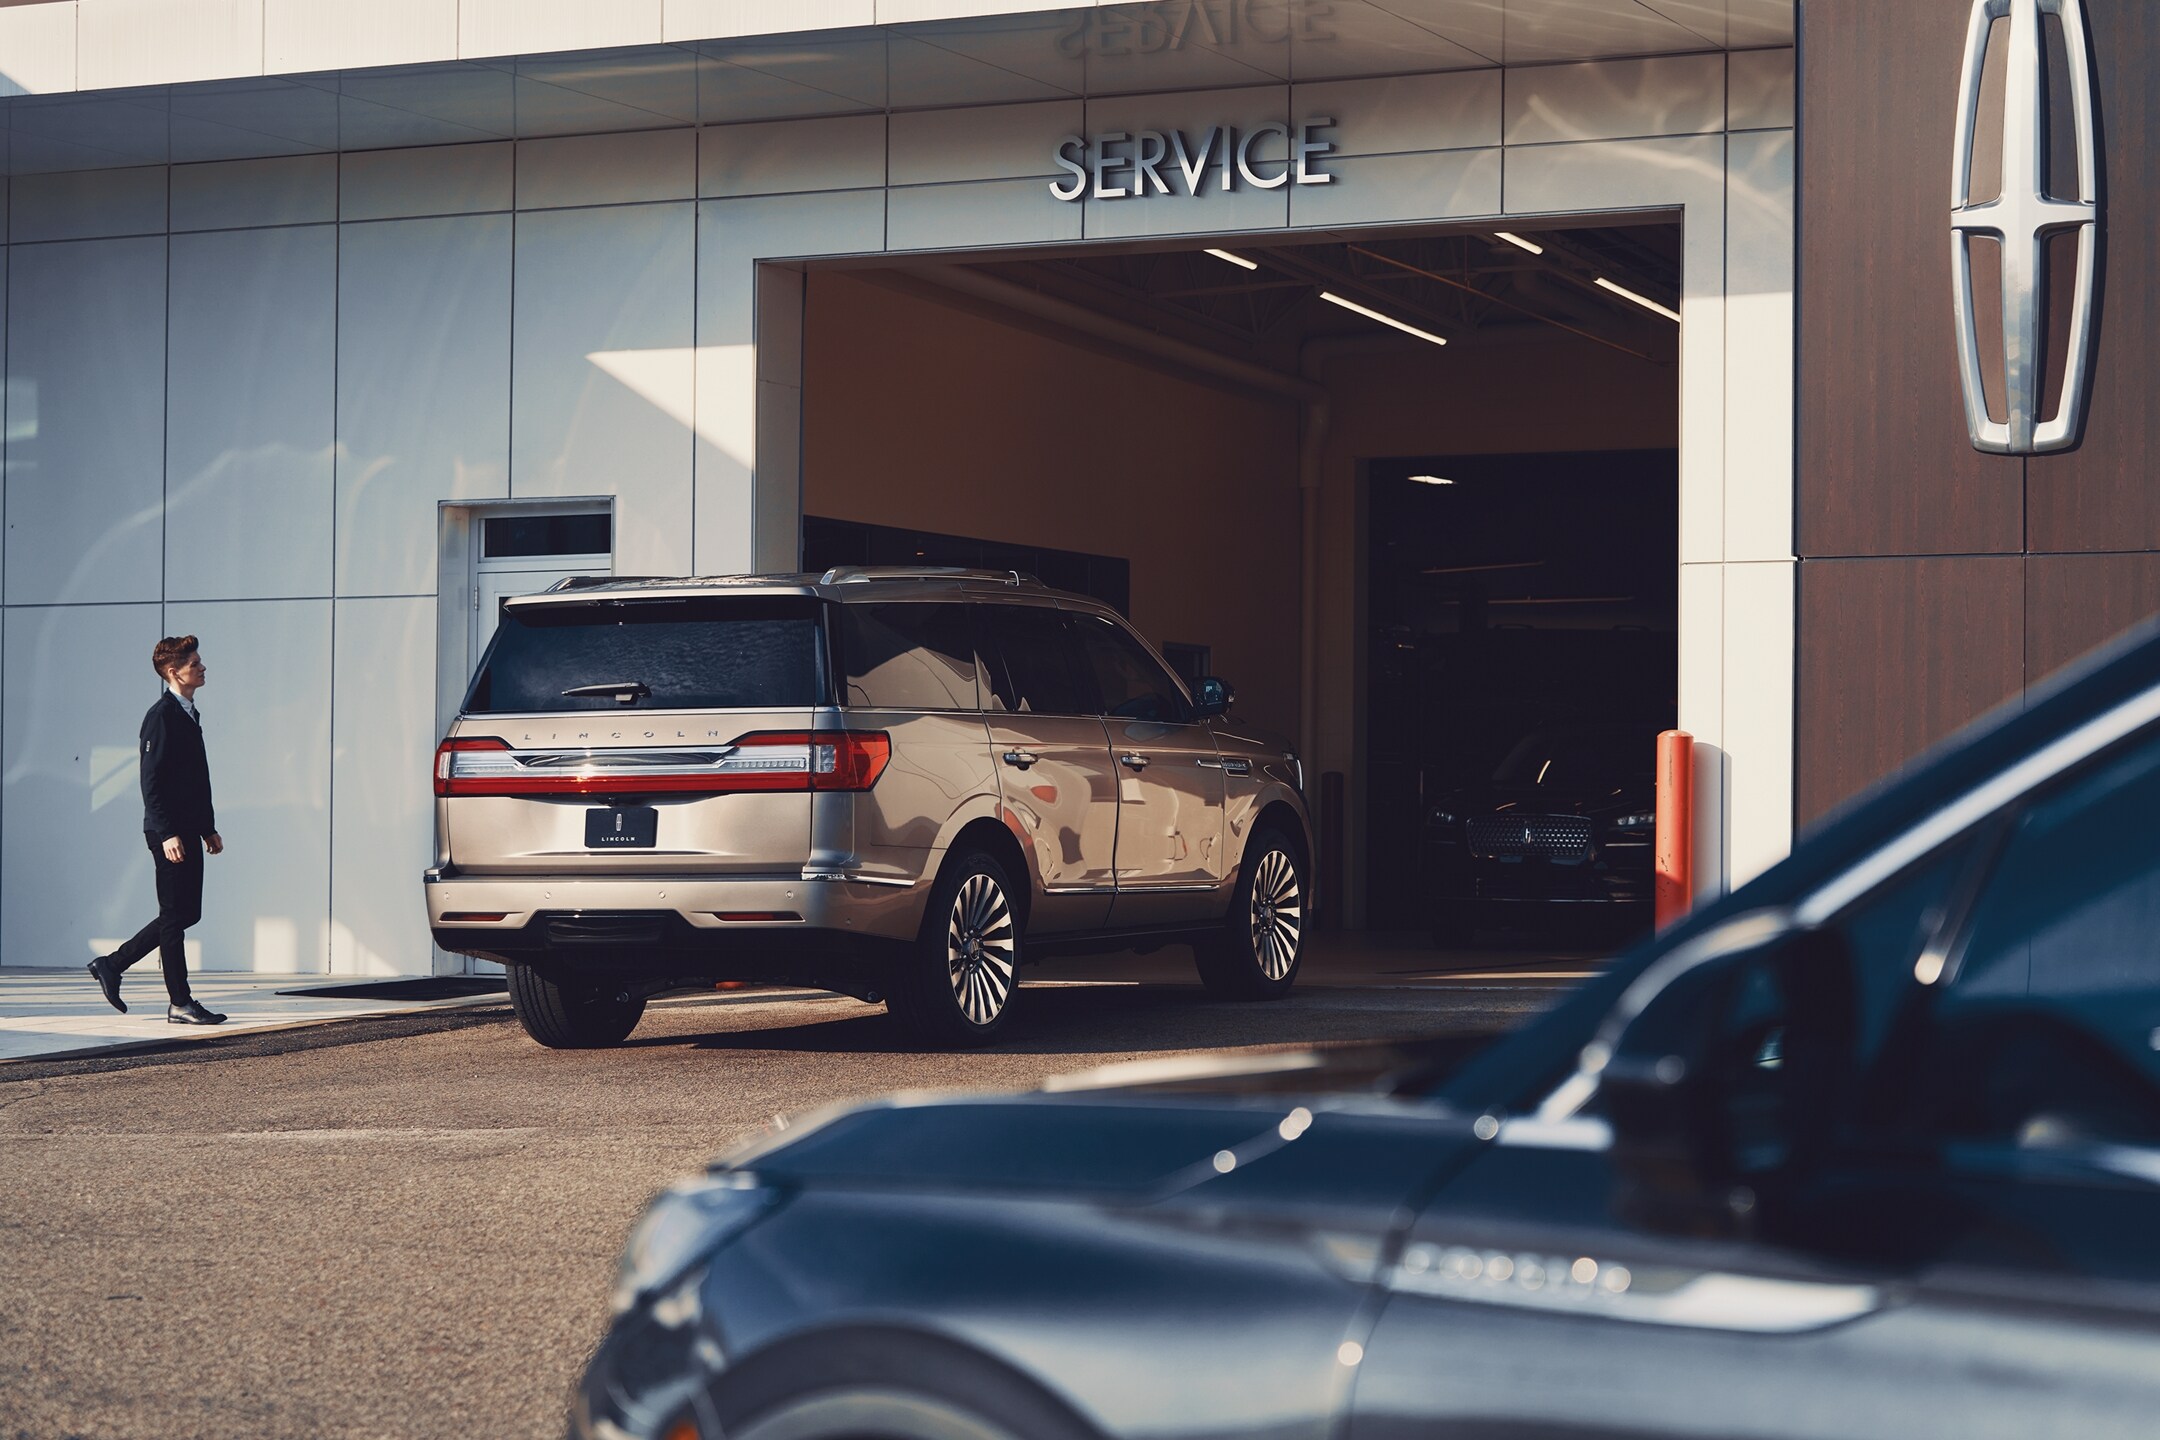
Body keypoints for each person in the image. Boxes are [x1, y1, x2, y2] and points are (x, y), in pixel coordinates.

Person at [87, 636, 227, 1024]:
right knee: (174, 916)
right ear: (173, 671)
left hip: (186, 829)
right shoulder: (161, 716)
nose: (202, 667)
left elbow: (195, 780)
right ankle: (180, 1002)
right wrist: (167, 833)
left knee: (185, 914)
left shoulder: (187, 713)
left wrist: (207, 828)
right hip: (168, 834)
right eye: (195, 663)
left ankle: (113, 964)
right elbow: (151, 781)